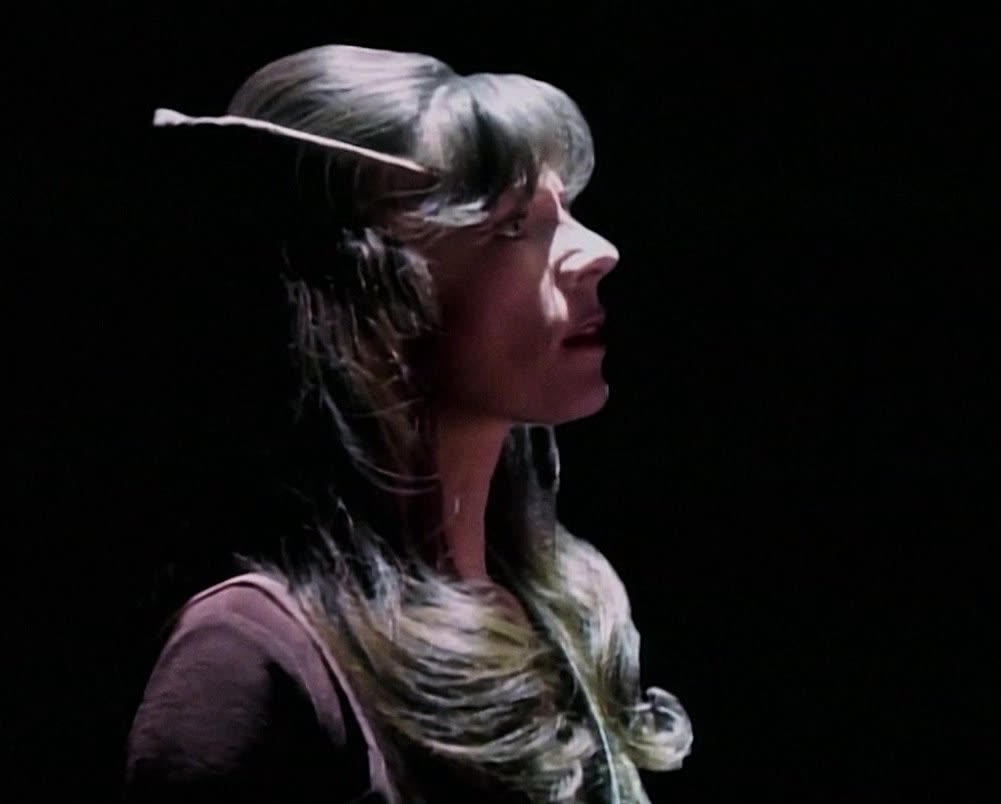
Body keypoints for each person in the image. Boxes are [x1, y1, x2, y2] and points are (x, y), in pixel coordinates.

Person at [123, 44, 692, 804]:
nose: (599, 252)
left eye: (564, 213)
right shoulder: (249, 656)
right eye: (512, 225)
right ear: (367, 291)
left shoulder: (560, 617)